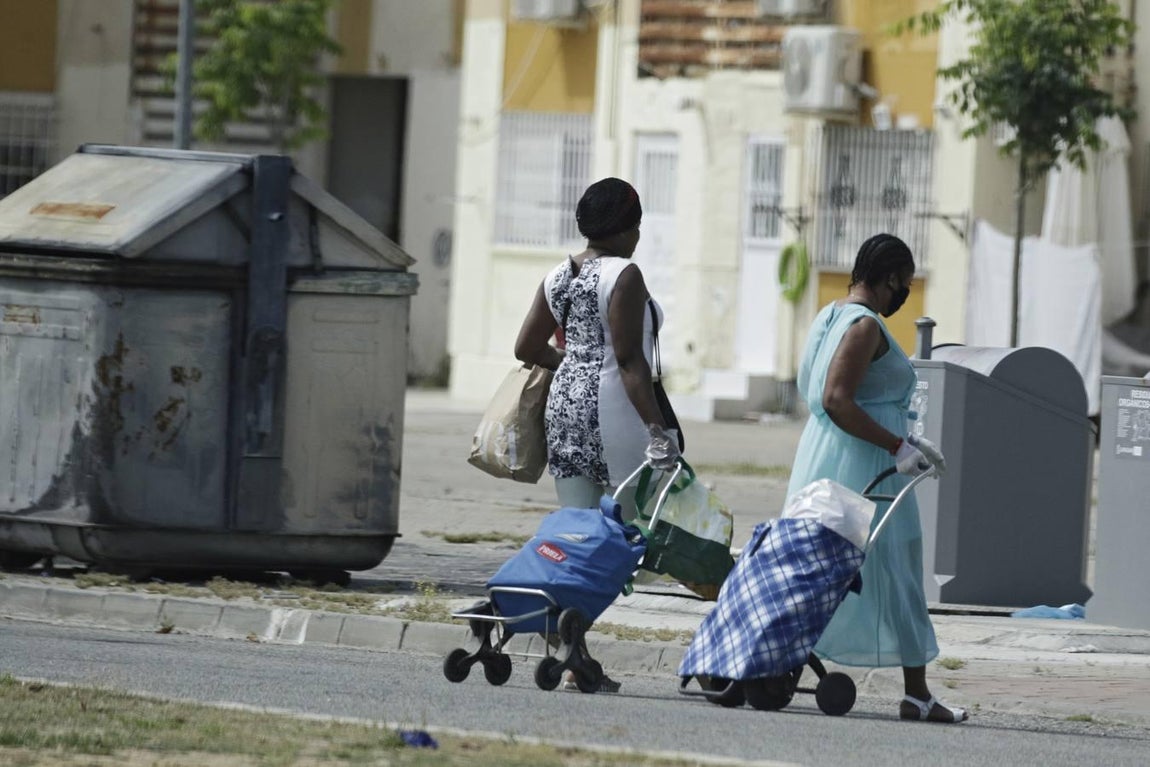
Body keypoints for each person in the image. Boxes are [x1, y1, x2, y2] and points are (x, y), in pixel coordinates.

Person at [786, 232, 967, 723]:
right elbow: (837, 399)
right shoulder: (864, 325)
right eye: (904, 284)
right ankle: (918, 695)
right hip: (868, 464)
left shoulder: (829, 314)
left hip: (823, 457)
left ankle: (782, 658)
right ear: (890, 278)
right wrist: (897, 445)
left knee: (814, 567)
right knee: (900, 568)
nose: (905, 294)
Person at [514, 176, 680, 692]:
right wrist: (659, 431)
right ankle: (573, 642)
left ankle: (570, 657)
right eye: (637, 224)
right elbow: (630, 361)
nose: (638, 234)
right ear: (623, 226)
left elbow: (526, 346)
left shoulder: (558, 275)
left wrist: (573, 363)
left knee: (574, 536)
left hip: (564, 409)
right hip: (613, 413)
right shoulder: (624, 274)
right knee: (620, 540)